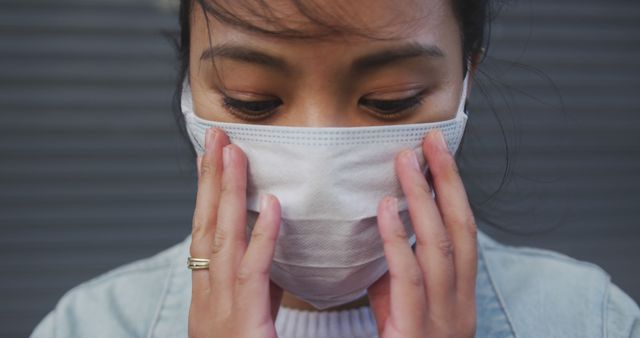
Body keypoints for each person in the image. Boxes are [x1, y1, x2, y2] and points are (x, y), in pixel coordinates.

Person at [31, 0, 640, 337]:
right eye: (251, 101)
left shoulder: (589, 320)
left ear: (464, 83)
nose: (319, 160)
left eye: (391, 100)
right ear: (191, 88)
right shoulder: (92, 325)